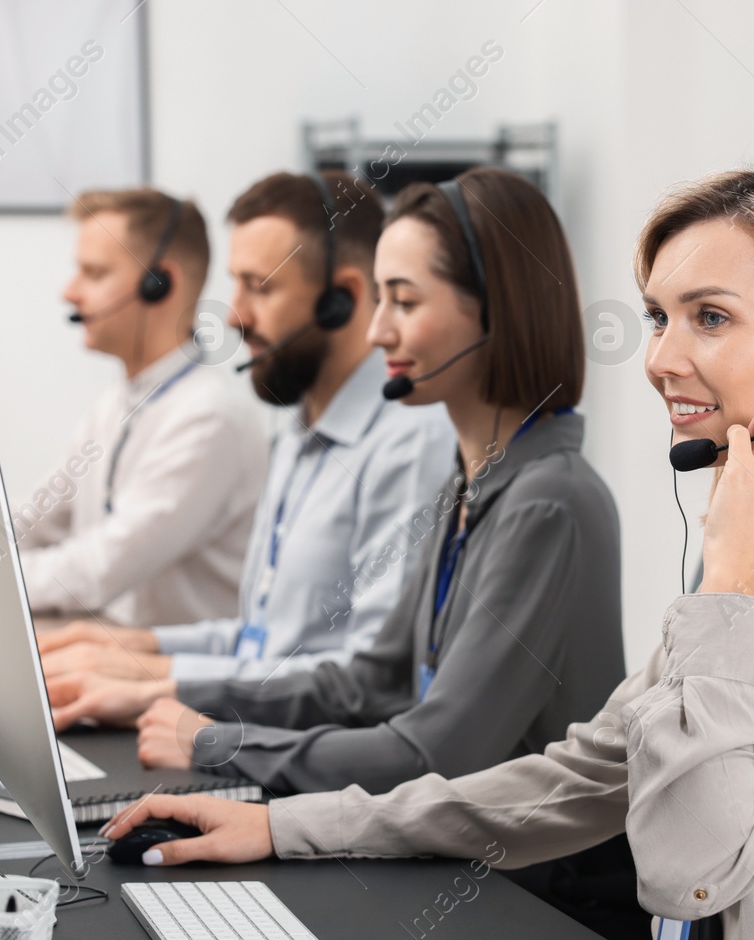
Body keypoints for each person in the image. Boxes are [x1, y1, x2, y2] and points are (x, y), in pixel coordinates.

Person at [96, 166, 754, 940]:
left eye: (710, 316)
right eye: (659, 317)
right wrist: (291, 827)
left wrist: (730, 579)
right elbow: (587, 774)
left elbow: (690, 865)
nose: (659, 357)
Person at [53, 167, 624, 798]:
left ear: (498, 316)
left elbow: (435, 749)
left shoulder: (545, 505)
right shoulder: (470, 485)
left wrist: (217, 741)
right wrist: (161, 686)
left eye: (403, 302)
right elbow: (373, 682)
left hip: (521, 886)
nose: (378, 331)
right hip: (440, 838)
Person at [37, 171, 453, 699]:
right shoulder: (300, 433)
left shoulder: (408, 446)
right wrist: (131, 651)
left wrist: (157, 686)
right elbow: (260, 643)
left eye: (260, 287)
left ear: (341, 299)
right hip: (261, 735)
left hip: (305, 767)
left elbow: (372, 681)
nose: (233, 315)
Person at [16, 188, 267, 627]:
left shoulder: (209, 418)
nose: (70, 292)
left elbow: (98, 571)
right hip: (110, 657)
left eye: (93, 273)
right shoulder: (116, 405)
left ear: (159, 285)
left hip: (177, 686)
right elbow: (40, 519)